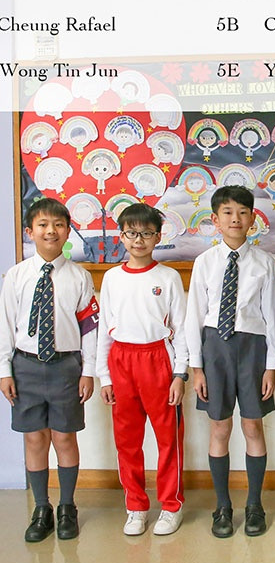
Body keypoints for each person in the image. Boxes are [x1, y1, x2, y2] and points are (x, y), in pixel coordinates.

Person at [185, 186, 275, 538]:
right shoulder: (205, 262)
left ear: (252, 218)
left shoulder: (263, 262)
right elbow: (194, 316)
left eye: (243, 212)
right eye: (227, 212)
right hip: (215, 349)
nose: (235, 219)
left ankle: (254, 504)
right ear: (215, 220)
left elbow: (272, 315)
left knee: (253, 426)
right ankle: (223, 505)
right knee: (220, 427)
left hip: (253, 349)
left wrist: (271, 365)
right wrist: (197, 367)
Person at [0, 198, 98, 542]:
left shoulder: (79, 276)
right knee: (34, 437)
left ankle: (67, 506)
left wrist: (88, 371)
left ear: (68, 231)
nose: (50, 231)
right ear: (30, 232)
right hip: (25, 366)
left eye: (58, 224)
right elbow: (5, 325)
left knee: (65, 436)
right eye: (43, 225)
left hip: (65, 366)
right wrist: (4, 370)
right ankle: (41, 508)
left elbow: (89, 329)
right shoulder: (16, 275)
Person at [96, 203, 188, 536]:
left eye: (146, 233)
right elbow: (105, 329)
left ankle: (171, 505)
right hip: (121, 360)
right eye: (132, 233)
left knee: (168, 439)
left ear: (157, 237)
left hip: (157, 360)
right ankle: (135, 506)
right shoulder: (111, 278)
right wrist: (104, 376)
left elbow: (181, 329)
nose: (139, 240)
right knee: (127, 441)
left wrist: (180, 374)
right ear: (121, 236)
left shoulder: (168, 277)